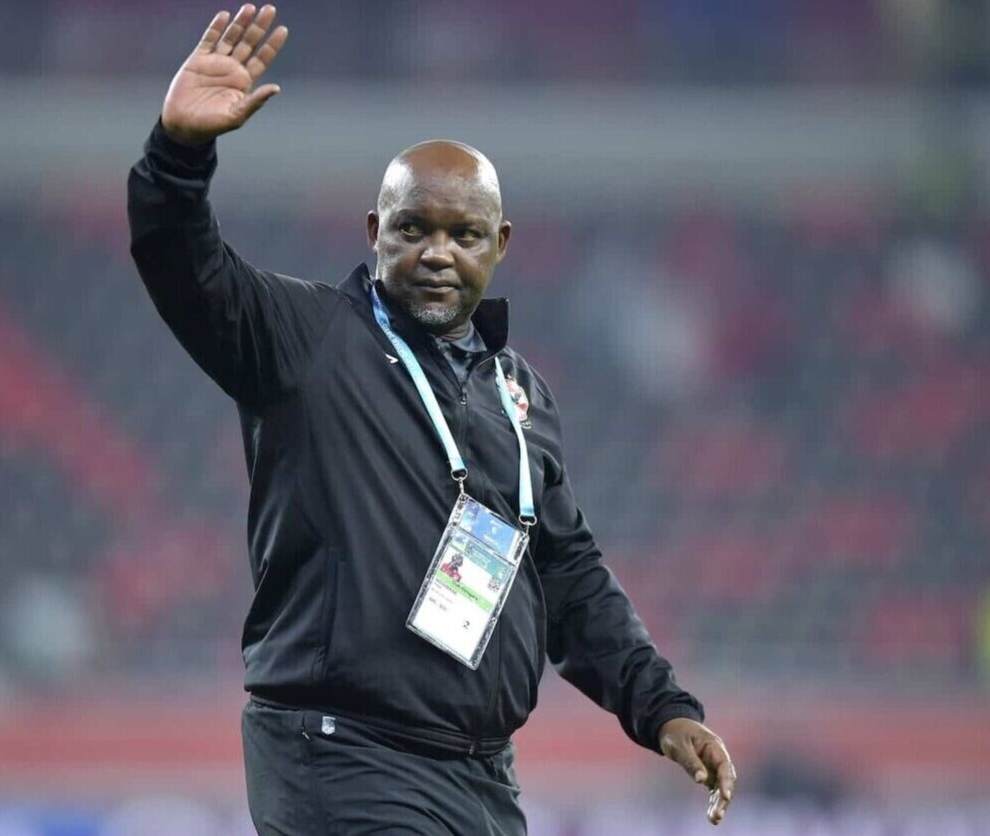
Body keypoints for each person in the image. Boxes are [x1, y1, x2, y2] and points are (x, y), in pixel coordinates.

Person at [127, 5, 738, 833]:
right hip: (341, 757)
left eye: (464, 234)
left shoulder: (519, 396)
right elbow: (184, 268)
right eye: (413, 228)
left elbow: (567, 573)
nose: (438, 252)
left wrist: (663, 708)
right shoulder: (306, 338)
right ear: (375, 232)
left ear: (501, 244)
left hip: (480, 777)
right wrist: (178, 155)